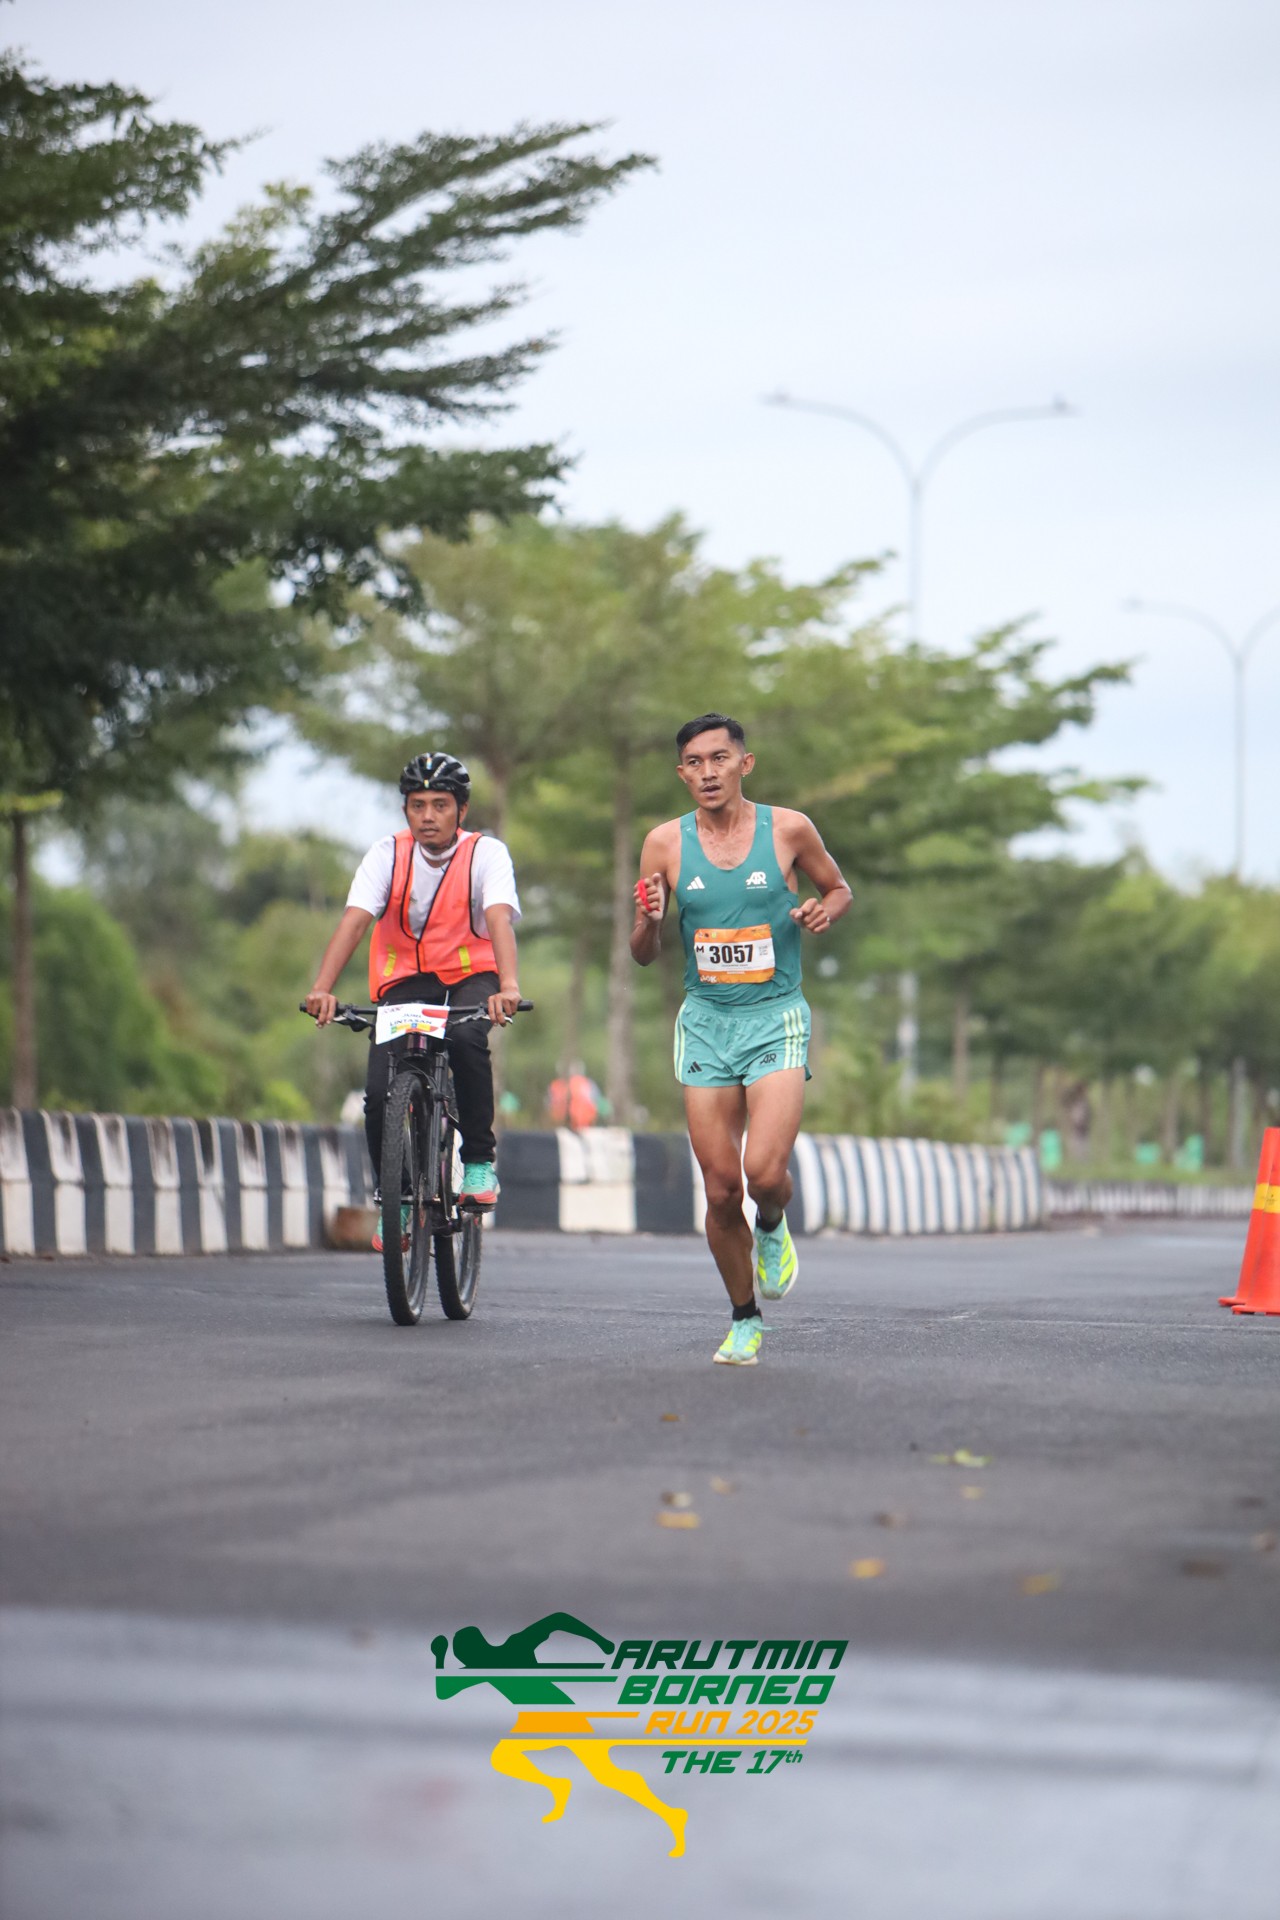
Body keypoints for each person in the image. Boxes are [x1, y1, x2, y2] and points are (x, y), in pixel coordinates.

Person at [631, 714, 851, 1364]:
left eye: (719, 758)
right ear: (682, 774)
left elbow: (839, 889)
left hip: (775, 1016)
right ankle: (744, 1316)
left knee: (763, 1174)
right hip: (706, 1023)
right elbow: (642, 951)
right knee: (723, 1187)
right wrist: (649, 922)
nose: (708, 772)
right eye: (695, 763)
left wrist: (822, 911)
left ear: (744, 764)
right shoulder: (663, 844)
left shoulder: (788, 829)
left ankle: (774, 1222)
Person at [305, 751, 522, 1245]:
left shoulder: (485, 854)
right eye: (417, 805)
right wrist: (322, 988)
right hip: (405, 981)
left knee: (467, 1041)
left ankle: (478, 1162)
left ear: (461, 810)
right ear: (405, 810)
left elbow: (499, 918)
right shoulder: (386, 854)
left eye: (440, 805)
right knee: (380, 1092)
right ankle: (397, 1199)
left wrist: (508, 986)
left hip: (472, 976)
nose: (428, 816)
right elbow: (355, 921)